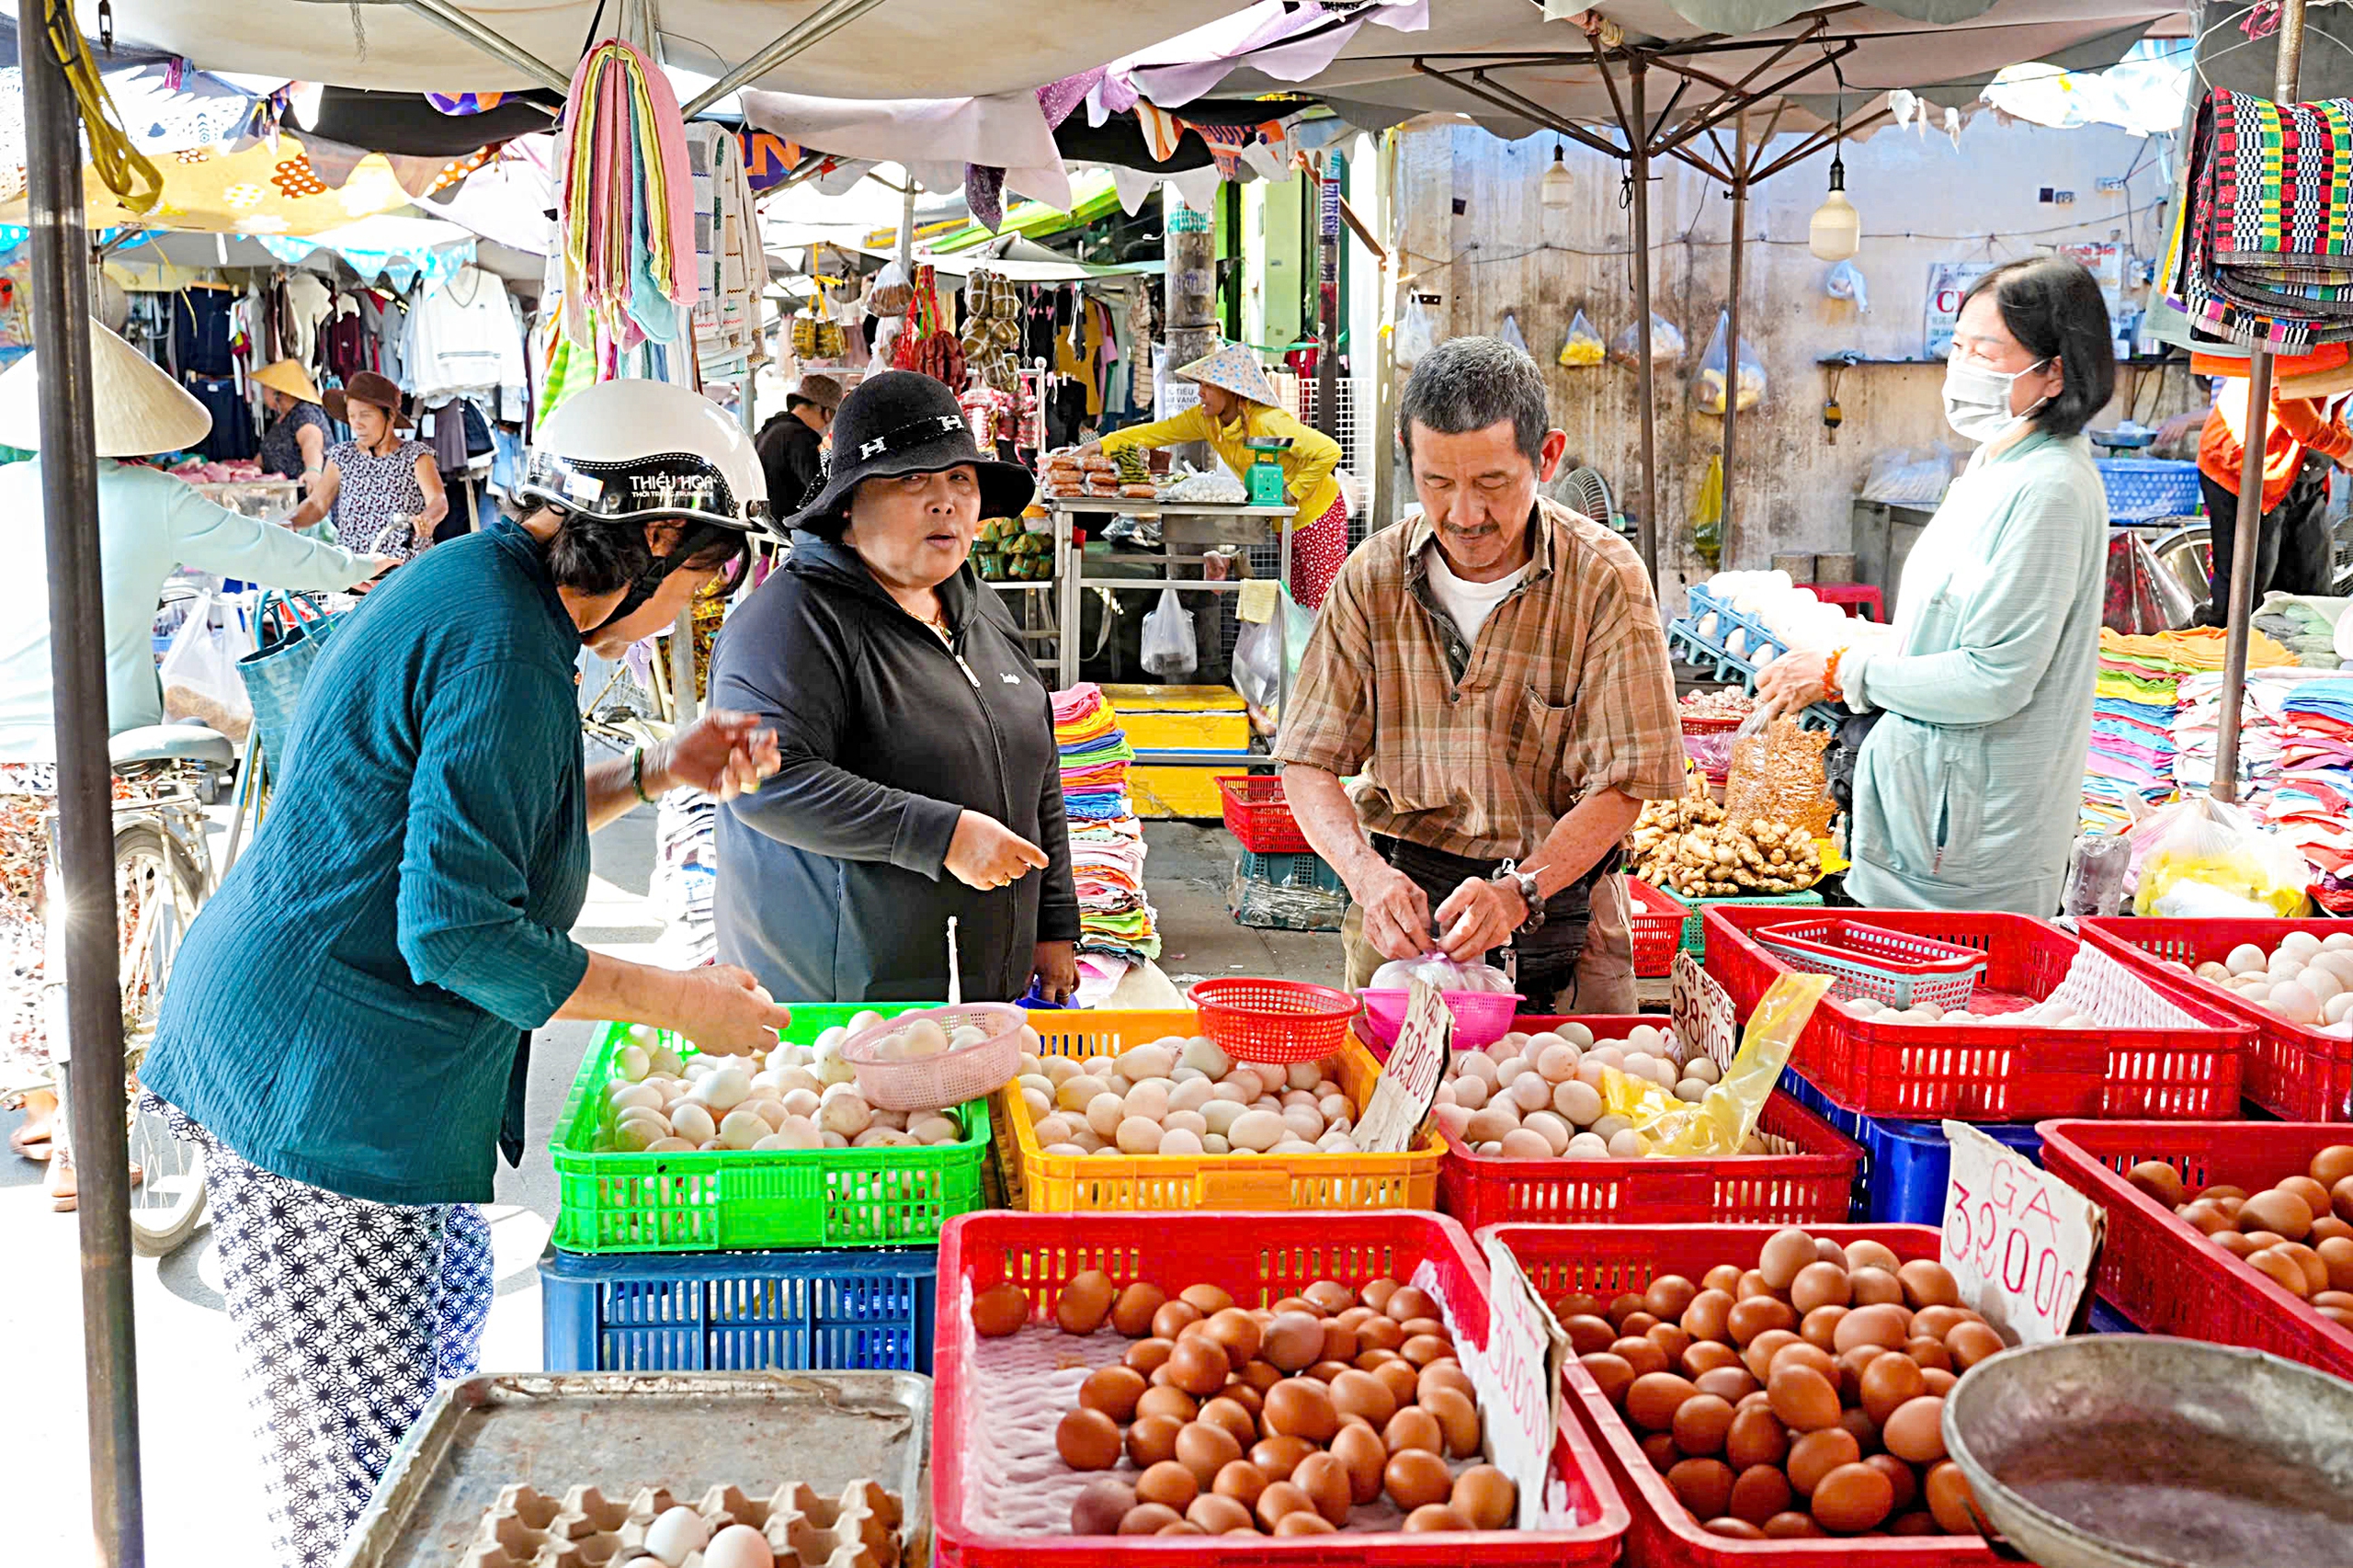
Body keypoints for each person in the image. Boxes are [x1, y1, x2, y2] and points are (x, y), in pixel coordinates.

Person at [139, 379, 794, 1568]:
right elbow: (456, 929)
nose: (697, 603)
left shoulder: (489, 589)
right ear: (652, 541)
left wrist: (654, 770)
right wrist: (679, 1001)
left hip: (326, 1059)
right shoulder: (503, 642)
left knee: (410, 1419)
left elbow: (490, 813)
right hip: (322, 1088)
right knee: (373, 1470)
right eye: (704, 573)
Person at [0, 322, 391, 1203]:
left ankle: (41, 1102)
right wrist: (367, 569)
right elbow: (273, 555)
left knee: (25, 931)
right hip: (106, 758)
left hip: (7, 764)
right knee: (117, 932)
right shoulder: (152, 497)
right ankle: (91, 1130)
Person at [1273, 336, 1684, 1012]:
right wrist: (1366, 877)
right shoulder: (1373, 578)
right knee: (1388, 1102)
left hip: (1566, 908)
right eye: (1437, 483)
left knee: (1570, 1107)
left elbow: (1628, 780)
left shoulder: (1605, 581)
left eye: (1492, 483)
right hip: (1405, 912)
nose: (1463, 515)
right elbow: (1307, 760)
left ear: (1546, 456)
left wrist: (1521, 890)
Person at [710, 370, 1080, 1005]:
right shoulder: (787, 623)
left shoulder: (979, 608)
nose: (946, 501)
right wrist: (940, 835)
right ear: (849, 502)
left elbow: (1035, 761)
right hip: (839, 1013)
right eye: (914, 480)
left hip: (977, 998)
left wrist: (1054, 922)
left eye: (960, 480)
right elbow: (766, 781)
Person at [1757, 256, 2114, 915]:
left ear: (2056, 370)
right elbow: (1947, 630)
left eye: (1988, 350)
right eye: (1958, 346)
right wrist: (1855, 644)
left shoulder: (2051, 489)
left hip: (1972, 846)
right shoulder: (1992, 465)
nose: (1963, 366)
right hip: (1925, 820)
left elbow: (1994, 677)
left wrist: (1844, 668)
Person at [1082, 343, 1350, 608]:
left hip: (1319, 514)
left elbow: (1329, 450)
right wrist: (1101, 445)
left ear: (1232, 391)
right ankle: (1303, 652)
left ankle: (1327, 653)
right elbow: (1155, 432)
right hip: (1286, 521)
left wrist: (1294, 491)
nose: (1200, 393)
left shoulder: (1267, 421)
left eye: (1207, 386)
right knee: (1298, 605)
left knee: (1324, 606)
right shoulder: (1206, 420)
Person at [2193, 381, 2351, 623]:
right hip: (2246, 466)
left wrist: (2341, 439)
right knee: (2248, 598)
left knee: (2313, 594)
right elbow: (2283, 396)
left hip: (2304, 469)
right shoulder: (2308, 349)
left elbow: (2328, 402)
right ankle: (2221, 650)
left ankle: (2287, 657)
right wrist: (2342, 448)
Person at [285, 369, 447, 560]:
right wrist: (291, 521)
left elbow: (438, 501)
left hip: (406, 569)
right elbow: (318, 504)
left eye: (366, 415)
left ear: (390, 416)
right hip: (356, 571)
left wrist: (427, 519)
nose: (357, 424)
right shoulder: (342, 456)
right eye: (352, 416)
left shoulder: (416, 456)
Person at [755, 371, 843, 521]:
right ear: (825, 411)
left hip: (768, 527)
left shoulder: (769, 431)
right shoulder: (798, 436)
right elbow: (818, 491)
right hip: (787, 529)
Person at [253, 358, 333, 492]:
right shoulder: (283, 418)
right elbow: (268, 452)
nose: (261, 392)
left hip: (307, 499)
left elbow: (311, 441)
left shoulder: (304, 413)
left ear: (277, 392)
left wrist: (313, 471)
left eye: (264, 387)